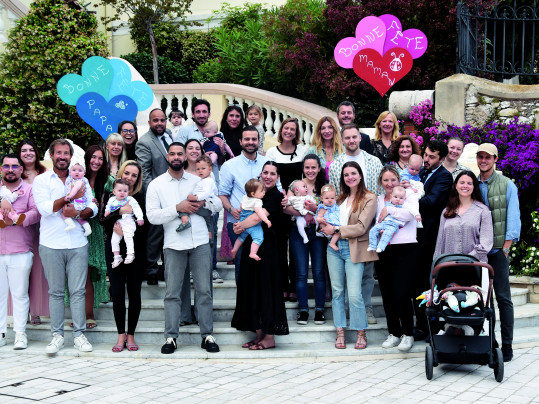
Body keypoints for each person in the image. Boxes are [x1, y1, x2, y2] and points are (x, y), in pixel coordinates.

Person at [146, 142, 223, 354]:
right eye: (173, 153)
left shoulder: (198, 180)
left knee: (204, 291)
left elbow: (217, 204)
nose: (177, 157)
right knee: (172, 293)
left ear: (186, 157)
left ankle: (207, 334)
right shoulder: (157, 185)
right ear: (167, 157)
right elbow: (152, 216)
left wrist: (202, 205)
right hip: (173, 244)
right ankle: (170, 337)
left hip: (199, 241)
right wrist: (176, 208)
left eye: (180, 153)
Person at [33, 139, 97, 354]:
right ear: (51, 156)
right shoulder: (42, 180)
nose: (62, 157)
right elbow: (45, 209)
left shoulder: (79, 177)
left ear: (71, 156)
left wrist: (78, 212)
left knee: (78, 291)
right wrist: (69, 198)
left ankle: (79, 335)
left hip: (78, 242)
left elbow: (93, 207)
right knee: (56, 292)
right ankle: (57, 336)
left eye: (66, 153)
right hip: (51, 244)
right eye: (58, 153)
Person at [328, 124, 383, 324]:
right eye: (347, 138)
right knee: (343, 279)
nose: (351, 140)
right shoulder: (336, 165)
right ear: (342, 140)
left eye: (354, 137)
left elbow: (380, 191)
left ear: (360, 138)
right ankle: (347, 312)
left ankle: (366, 308)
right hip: (345, 224)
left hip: (368, 224)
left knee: (367, 273)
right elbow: (335, 195)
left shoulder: (373, 161)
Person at [231, 161, 289, 349]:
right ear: (260, 174)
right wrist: (238, 224)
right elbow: (244, 213)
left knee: (266, 290)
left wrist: (240, 226)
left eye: (273, 173)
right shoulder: (253, 193)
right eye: (265, 172)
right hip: (252, 246)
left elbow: (258, 216)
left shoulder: (276, 196)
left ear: (278, 177)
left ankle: (269, 337)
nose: (268, 176)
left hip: (269, 250)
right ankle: (258, 334)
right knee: (251, 289)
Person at [320, 161, 378, 349]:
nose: (350, 177)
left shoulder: (370, 197)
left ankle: (361, 332)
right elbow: (326, 218)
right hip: (334, 249)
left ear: (360, 175)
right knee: (337, 292)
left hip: (354, 248)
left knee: (354, 294)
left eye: (353, 173)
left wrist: (335, 228)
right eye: (346, 175)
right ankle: (340, 332)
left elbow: (361, 227)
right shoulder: (339, 198)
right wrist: (322, 223)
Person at [476, 143, 521, 362]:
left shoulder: (506, 185)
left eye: (487, 157)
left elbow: (513, 218)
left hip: (497, 250)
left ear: (495, 159)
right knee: (483, 300)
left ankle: (508, 345)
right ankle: (490, 343)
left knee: (503, 299)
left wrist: (505, 249)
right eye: (480, 157)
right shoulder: (471, 183)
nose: (483, 160)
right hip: (478, 253)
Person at [99, 160, 147, 352]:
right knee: (117, 293)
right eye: (127, 173)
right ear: (120, 173)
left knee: (135, 294)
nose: (129, 177)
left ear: (137, 180)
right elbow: (103, 219)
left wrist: (127, 230)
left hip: (136, 252)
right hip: (115, 251)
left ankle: (131, 335)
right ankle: (120, 336)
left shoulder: (140, 198)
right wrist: (120, 212)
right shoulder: (109, 195)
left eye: (134, 175)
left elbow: (147, 226)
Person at [219, 126, 276, 283]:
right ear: (240, 141)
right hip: (237, 223)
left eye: (254, 139)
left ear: (259, 141)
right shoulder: (230, 166)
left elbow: (277, 188)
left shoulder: (267, 164)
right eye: (247, 139)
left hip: (262, 222)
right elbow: (222, 194)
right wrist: (230, 209)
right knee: (241, 264)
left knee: (261, 265)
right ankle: (242, 305)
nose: (251, 142)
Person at [374, 166, 419, 351]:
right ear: (381, 182)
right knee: (387, 294)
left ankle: (408, 333)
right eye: (385, 180)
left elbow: (410, 215)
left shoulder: (408, 194)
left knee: (402, 293)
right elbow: (375, 222)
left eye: (393, 179)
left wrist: (389, 211)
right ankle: (394, 332)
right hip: (385, 249)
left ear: (399, 179)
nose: (390, 184)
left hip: (406, 248)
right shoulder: (378, 200)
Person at [414, 140, 454, 341]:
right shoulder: (421, 172)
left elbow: (431, 202)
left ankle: (432, 327)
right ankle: (421, 326)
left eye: (432, 157)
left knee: (429, 282)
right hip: (416, 237)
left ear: (442, 159)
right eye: (426, 155)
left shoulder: (445, 177)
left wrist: (407, 197)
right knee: (417, 282)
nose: (426, 159)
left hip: (430, 238)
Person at [0, 154, 40, 349]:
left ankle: (20, 334)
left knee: (20, 294)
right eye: (6, 166)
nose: (10, 169)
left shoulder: (29, 189)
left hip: (21, 250)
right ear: (1, 169)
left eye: (14, 166)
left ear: (21, 170)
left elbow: (36, 212)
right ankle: (1, 334)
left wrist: (18, 219)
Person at [265, 117, 307, 301]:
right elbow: (271, 178)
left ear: (297, 133)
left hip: (298, 205)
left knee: (296, 250)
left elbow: (306, 176)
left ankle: (295, 287)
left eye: (293, 129)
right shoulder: (272, 152)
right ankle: (283, 285)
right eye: (286, 128)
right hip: (280, 205)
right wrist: (285, 198)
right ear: (281, 130)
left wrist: (296, 199)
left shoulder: (303, 151)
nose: (289, 131)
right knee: (280, 248)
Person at [285, 154, 327, 325]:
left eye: (313, 167)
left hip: (317, 233)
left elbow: (330, 208)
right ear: (303, 169)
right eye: (307, 167)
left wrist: (314, 212)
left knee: (318, 272)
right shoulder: (295, 185)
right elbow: (286, 208)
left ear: (319, 168)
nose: (310, 171)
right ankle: (303, 310)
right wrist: (306, 214)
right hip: (298, 231)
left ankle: (319, 310)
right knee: (301, 273)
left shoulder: (324, 187)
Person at [136, 108, 173, 285]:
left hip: (174, 194)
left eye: (162, 120)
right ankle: (151, 270)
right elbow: (145, 173)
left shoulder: (170, 135)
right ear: (150, 123)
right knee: (155, 234)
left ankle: (168, 268)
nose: (159, 123)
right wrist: (156, 195)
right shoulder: (144, 142)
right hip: (156, 197)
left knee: (171, 232)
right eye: (155, 120)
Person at [15, 139, 48, 326]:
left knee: (37, 270)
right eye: (24, 150)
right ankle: (23, 311)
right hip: (21, 227)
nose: (28, 153)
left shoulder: (44, 173)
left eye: (31, 149)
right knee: (22, 270)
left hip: (43, 227)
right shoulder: (14, 174)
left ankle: (36, 310)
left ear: (36, 152)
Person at [434, 170, 493, 262]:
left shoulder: (483, 211)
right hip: (449, 266)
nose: (465, 186)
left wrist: (466, 259)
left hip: (474, 265)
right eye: (462, 182)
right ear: (456, 186)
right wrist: (436, 263)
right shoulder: (446, 212)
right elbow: (440, 242)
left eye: (469, 183)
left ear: (474, 187)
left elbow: (486, 243)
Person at [80, 145, 109, 329]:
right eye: (93, 157)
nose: (96, 161)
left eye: (100, 158)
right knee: (78, 275)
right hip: (76, 229)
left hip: (96, 230)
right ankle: (78, 313)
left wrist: (102, 205)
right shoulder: (76, 178)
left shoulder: (107, 182)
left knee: (89, 274)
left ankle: (88, 313)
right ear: (87, 158)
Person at [105, 179, 145, 268]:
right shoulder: (112, 200)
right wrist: (107, 211)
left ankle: (130, 254)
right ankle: (117, 257)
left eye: (125, 191)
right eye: (119, 191)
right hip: (118, 223)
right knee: (114, 240)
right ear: (114, 191)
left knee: (128, 237)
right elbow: (108, 207)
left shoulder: (130, 199)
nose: (122, 193)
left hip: (128, 222)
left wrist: (140, 218)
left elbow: (137, 208)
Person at [177, 155, 217, 240]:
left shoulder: (208, 181)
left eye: (203, 168)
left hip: (204, 206)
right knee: (208, 222)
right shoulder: (204, 180)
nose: (200, 171)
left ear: (210, 169)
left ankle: (185, 221)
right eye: (198, 169)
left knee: (183, 204)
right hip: (206, 208)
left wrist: (196, 198)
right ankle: (210, 239)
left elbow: (206, 193)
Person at [230, 179, 272, 261]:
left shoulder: (244, 197)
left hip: (242, 219)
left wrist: (239, 210)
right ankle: (253, 253)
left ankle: (235, 249)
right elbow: (259, 212)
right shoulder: (257, 201)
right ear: (253, 194)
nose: (264, 192)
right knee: (258, 238)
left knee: (242, 237)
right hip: (252, 223)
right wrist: (266, 220)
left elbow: (241, 206)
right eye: (261, 191)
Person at [368, 185, 406, 253]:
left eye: (401, 198)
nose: (398, 199)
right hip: (383, 223)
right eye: (395, 197)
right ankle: (372, 245)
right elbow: (381, 214)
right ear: (391, 196)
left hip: (393, 224)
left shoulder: (403, 207)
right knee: (373, 230)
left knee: (387, 234)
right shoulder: (387, 204)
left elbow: (404, 218)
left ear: (404, 199)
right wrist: (377, 222)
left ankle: (381, 247)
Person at [306, 116, 343, 181]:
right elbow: (304, 170)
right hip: (318, 189)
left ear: (334, 130)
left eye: (330, 127)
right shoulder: (313, 150)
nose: (327, 131)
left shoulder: (342, 150)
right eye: (323, 128)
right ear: (319, 131)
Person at [62, 160, 92, 236]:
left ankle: (71, 224)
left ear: (84, 173)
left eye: (80, 170)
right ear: (70, 171)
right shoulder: (70, 179)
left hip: (77, 202)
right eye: (74, 170)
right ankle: (88, 229)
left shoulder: (80, 181)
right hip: (79, 203)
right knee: (80, 219)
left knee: (63, 213)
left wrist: (70, 196)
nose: (77, 172)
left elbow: (75, 188)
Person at [286, 179, 315, 244]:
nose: (306, 188)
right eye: (304, 187)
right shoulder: (292, 198)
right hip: (300, 217)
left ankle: (319, 232)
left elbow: (315, 204)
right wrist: (284, 199)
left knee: (318, 219)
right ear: (296, 190)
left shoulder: (308, 197)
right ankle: (304, 237)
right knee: (299, 224)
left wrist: (313, 205)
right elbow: (285, 205)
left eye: (306, 187)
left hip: (311, 217)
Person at [316, 184, 341, 251]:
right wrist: (321, 219)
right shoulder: (323, 208)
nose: (330, 200)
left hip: (334, 224)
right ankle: (331, 242)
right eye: (326, 198)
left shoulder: (335, 206)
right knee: (335, 231)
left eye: (332, 198)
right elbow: (318, 218)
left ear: (335, 198)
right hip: (325, 224)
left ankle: (332, 243)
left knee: (339, 231)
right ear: (322, 198)